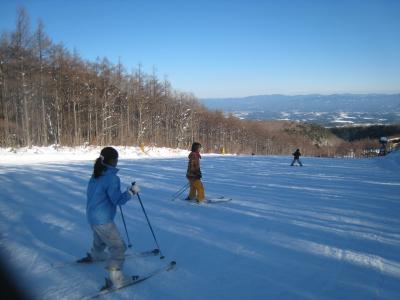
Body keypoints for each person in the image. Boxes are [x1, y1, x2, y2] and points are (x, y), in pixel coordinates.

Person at [77, 146, 140, 289]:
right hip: (102, 218)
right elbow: (118, 200)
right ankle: (116, 277)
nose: (117, 162)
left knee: (100, 238)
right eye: (116, 159)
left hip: (92, 216)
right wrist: (131, 192)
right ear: (112, 160)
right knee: (118, 246)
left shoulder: (97, 174)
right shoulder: (112, 178)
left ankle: (96, 255)